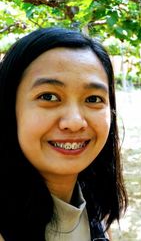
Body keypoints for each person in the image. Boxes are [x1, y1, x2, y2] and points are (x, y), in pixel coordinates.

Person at [0, 27, 128, 241]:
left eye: (93, 99)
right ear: (9, 107)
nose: (75, 122)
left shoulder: (94, 208)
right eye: (49, 96)